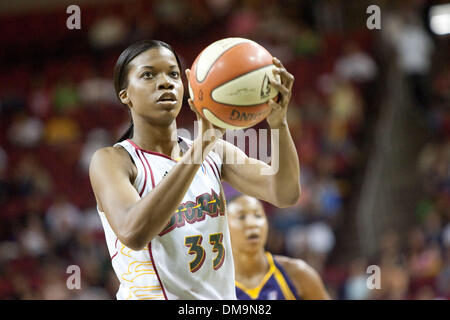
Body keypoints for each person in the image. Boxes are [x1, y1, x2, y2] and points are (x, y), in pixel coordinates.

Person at [89, 39, 301, 300]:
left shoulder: (214, 151)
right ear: (125, 95)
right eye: (148, 75)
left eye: (173, 74)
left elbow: (285, 193)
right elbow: (133, 232)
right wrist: (200, 148)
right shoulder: (112, 160)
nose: (165, 82)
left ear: (185, 85)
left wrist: (278, 123)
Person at [227, 194, 330, 300]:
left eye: (258, 215)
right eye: (241, 217)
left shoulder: (297, 273)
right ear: (224, 226)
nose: (252, 224)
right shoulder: (215, 283)